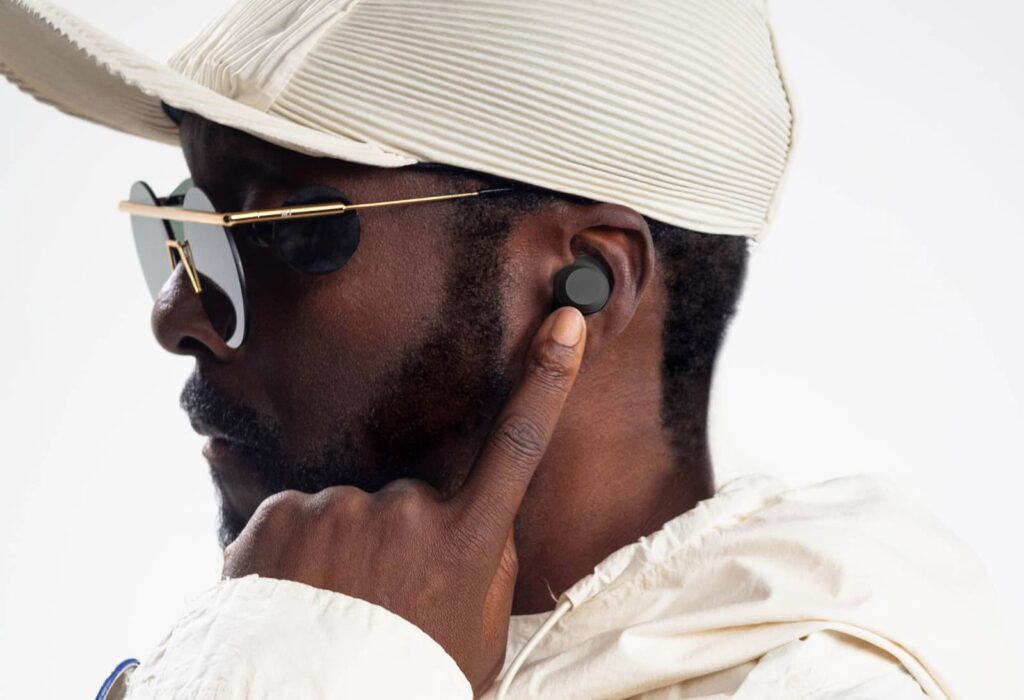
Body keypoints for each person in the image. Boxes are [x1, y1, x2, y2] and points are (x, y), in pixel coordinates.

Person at [1, 1, 1017, 698]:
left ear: (583, 281)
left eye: (284, 232)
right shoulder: (297, 612)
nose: (177, 311)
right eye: (181, 223)